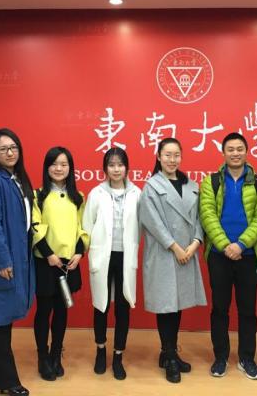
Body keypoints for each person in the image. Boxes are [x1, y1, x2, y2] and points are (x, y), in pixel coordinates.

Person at [199, 132, 257, 380]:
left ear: (246, 151)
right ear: (224, 153)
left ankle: (246, 358)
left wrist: (240, 245)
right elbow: (207, 215)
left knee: (247, 310)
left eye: (240, 149)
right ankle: (220, 357)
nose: (235, 153)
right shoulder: (211, 182)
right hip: (218, 255)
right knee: (220, 308)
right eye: (230, 149)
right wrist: (225, 245)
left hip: (248, 256)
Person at [139, 137, 207, 383]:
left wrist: (195, 243)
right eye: (167, 155)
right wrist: (175, 247)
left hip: (187, 252)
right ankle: (169, 356)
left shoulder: (192, 185)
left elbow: (200, 218)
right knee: (166, 305)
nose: (172, 159)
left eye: (176, 155)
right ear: (158, 157)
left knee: (177, 305)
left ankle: (170, 352)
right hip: (164, 253)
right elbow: (152, 222)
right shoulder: (151, 186)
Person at [0, 128, 34, 396]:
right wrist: (3, 260)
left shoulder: (17, 179)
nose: (10, 153)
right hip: (3, 259)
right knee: (0, 317)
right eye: (3, 149)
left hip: (18, 256)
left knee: (1, 318)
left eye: (13, 147)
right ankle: (8, 380)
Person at [83, 148, 141, 380]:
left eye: (120, 164)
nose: (116, 169)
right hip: (102, 256)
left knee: (123, 307)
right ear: (105, 168)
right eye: (111, 165)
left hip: (125, 257)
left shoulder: (137, 193)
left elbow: (142, 225)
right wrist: (85, 253)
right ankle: (100, 350)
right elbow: (87, 226)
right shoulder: (96, 193)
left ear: (127, 167)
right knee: (101, 305)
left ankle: (118, 355)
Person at [31, 147, 88, 381]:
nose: (58, 168)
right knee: (44, 310)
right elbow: (34, 226)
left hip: (68, 263)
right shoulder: (38, 195)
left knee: (62, 310)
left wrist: (79, 253)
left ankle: (56, 354)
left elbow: (83, 227)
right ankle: (43, 356)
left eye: (64, 164)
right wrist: (48, 254)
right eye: (54, 164)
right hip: (46, 261)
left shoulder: (78, 197)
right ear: (47, 167)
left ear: (70, 168)